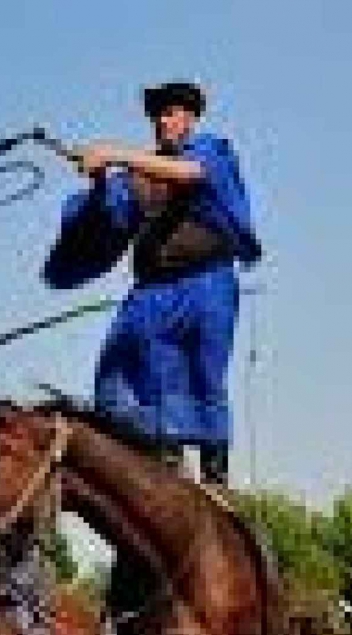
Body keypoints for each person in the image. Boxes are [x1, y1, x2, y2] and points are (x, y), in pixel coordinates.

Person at [44, 80, 261, 486]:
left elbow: (190, 173)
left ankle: (215, 478)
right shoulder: (137, 176)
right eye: (158, 114)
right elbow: (109, 216)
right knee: (135, 369)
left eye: (172, 113)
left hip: (207, 285)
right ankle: (166, 464)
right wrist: (98, 179)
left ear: (190, 118)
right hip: (153, 292)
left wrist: (114, 153)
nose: (163, 121)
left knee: (204, 375)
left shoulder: (211, 149)